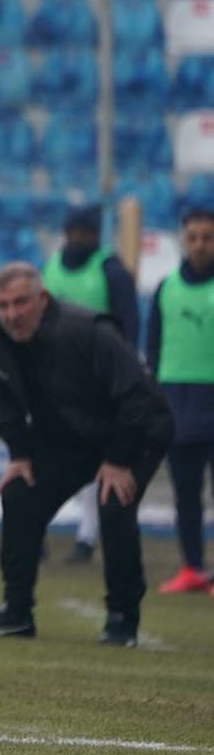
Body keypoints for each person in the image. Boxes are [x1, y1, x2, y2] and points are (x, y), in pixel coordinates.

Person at [0, 263, 173, 646]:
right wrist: (20, 454)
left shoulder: (90, 331)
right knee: (19, 494)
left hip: (137, 430)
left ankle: (123, 619)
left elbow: (139, 398)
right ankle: (16, 613)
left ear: (42, 299)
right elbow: (3, 396)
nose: (12, 314)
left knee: (114, 502)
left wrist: (119, 459)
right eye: (4, 305)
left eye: (21, 303)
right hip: (70, 437)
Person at [42, 203, 141, 565]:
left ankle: (86, 536)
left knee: (91, 468)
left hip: (96, 385)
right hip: (54, 381)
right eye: (74, 232)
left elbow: (127, 329)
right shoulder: (50, 269)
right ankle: (36, 531)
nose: (78, 239)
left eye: (86, 232)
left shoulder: (111, 272)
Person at [146, 206, 214, 595]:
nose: (201, 245)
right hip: (179, 404)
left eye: (208, 237)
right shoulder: (166, 289)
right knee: (186, 493)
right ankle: (192, 567)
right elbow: (154, 348)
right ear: (183, 241)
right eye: (194, 237)